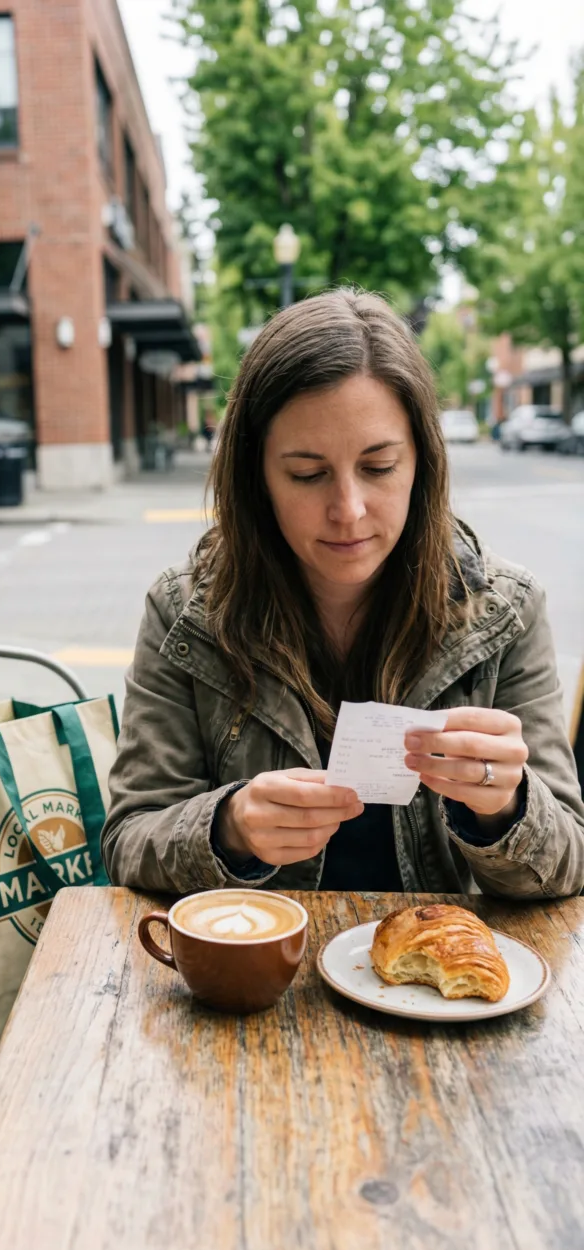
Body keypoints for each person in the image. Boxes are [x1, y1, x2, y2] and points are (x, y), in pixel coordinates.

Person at [101, 290, 584, 899]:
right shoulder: (187, 613)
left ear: (423, 465)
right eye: (307, 474)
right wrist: (228, 829)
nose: (348, 511)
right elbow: (128, 840)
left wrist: (505, 808)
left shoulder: (504, 611)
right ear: (257, 478)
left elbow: (570, 858)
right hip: (264, 970)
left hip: (441, 972)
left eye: (379, 467)